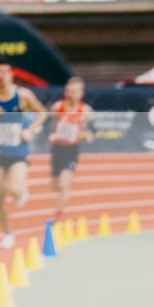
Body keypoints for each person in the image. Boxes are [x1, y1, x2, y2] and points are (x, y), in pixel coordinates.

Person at [0, 60, 47, 250]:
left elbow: (42, 113)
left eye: (5, 72)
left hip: (18, 150)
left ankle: (21, 191)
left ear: (12, 74)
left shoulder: (23, 95)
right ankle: (8, 233)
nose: (2, 76)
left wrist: (30, 130)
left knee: (14, 189)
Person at [48, 75, 95, 219]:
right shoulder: (57, 107)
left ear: (81, 93)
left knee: (64, 183)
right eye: (68, 91)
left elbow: (92, 131)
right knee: (55, 185)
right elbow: (45, 124)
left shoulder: (85, 111)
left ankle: (59, 215)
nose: (70, 95)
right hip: (57, 149)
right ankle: (60, 209)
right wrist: (50, 135)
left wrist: (87, 135)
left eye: (74, 92)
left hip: (71, 151)